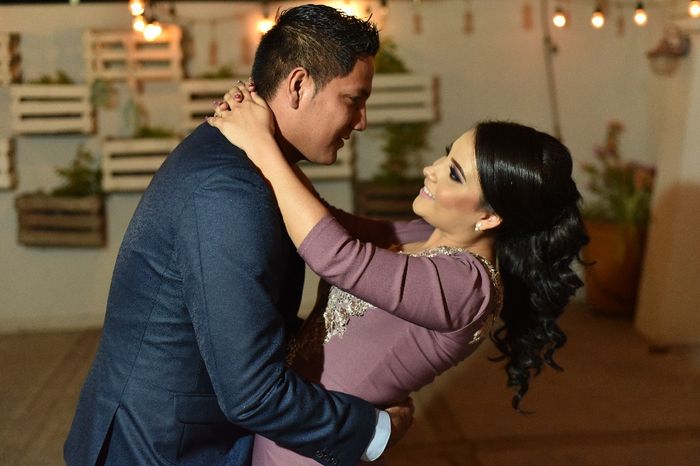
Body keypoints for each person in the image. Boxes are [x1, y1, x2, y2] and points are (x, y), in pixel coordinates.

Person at [64, 5, 413, 466]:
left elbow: (330, 238)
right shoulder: (229, 190)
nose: (362, 120)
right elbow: (252, 393)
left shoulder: (251, 163)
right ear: (298, 85)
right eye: (353, 99)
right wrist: (373, 430)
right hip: (161, 448)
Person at [206, 82, 590, 465]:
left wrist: (261, 145)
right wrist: (265, 134)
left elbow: (335, 255)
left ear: (490, 217)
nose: (431, 170)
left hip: (307, 452)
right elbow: (329, 223)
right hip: (293, 424)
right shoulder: (424, 236)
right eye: (446, 155)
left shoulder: (468, 286)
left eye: (454, 174)